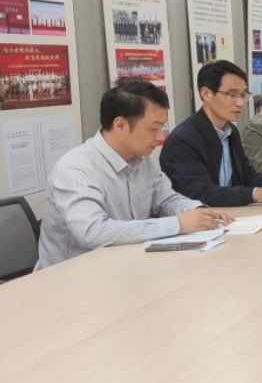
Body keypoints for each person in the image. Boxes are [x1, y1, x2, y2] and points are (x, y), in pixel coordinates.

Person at [36, 79, 232, 270]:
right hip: (71, 280)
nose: (160, 137)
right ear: (120, 125)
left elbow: (166, 201)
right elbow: (93, 232)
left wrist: (199, 212)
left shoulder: (143, 161)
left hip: (126, 267)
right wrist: (177, 224)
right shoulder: (76, 170)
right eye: (153, 128)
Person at [161, 61, 262, 206]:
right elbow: (201, 192)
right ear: (206, 94)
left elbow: (248, 175)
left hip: (230, 215)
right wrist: (255, 193)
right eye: (232, 95)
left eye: (243, 95)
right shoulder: (183, 140)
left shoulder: (230, 130)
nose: (240, 103)